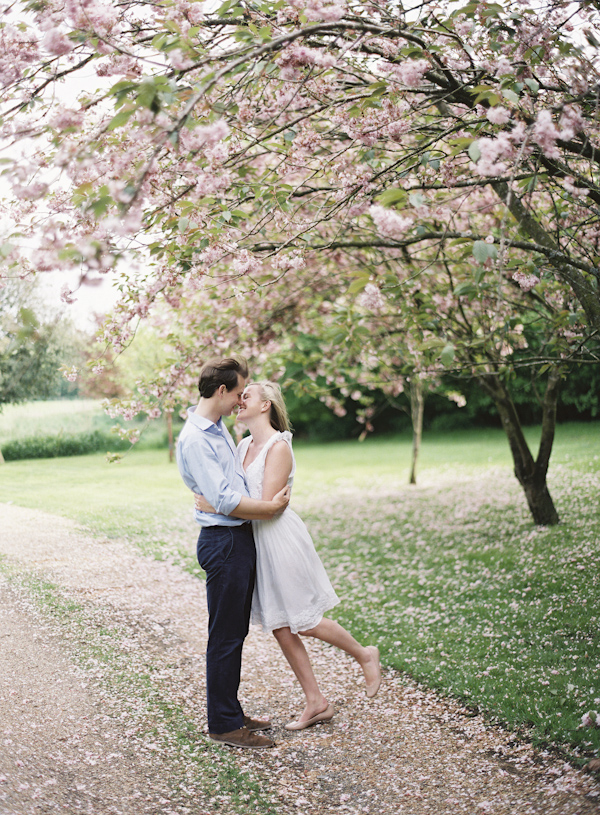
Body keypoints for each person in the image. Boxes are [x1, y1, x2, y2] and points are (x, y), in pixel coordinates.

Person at [195, 381, 381, 731]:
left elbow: (266, 509)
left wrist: (215, 504)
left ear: (265, 405)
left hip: (278, 538)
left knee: (304, 620)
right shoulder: (244, 444)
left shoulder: (278, 446)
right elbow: (237, 495)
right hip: (255, 541)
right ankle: (317, 702)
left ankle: (364, 654)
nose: (239, 401)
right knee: (281, 626)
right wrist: (218, 500)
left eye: (246, 396)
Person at [176, 358, 291, 750]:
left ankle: (230, 711)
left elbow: (228, 488)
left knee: (233, 633)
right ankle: (223, 724)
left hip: (236, 538)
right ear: (221, 390)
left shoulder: (217, 429)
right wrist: (272, 508)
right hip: (223, 543)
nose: (241, 400)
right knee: (224, 636)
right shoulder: (196, 438)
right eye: (239, 392)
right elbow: (224, 499)